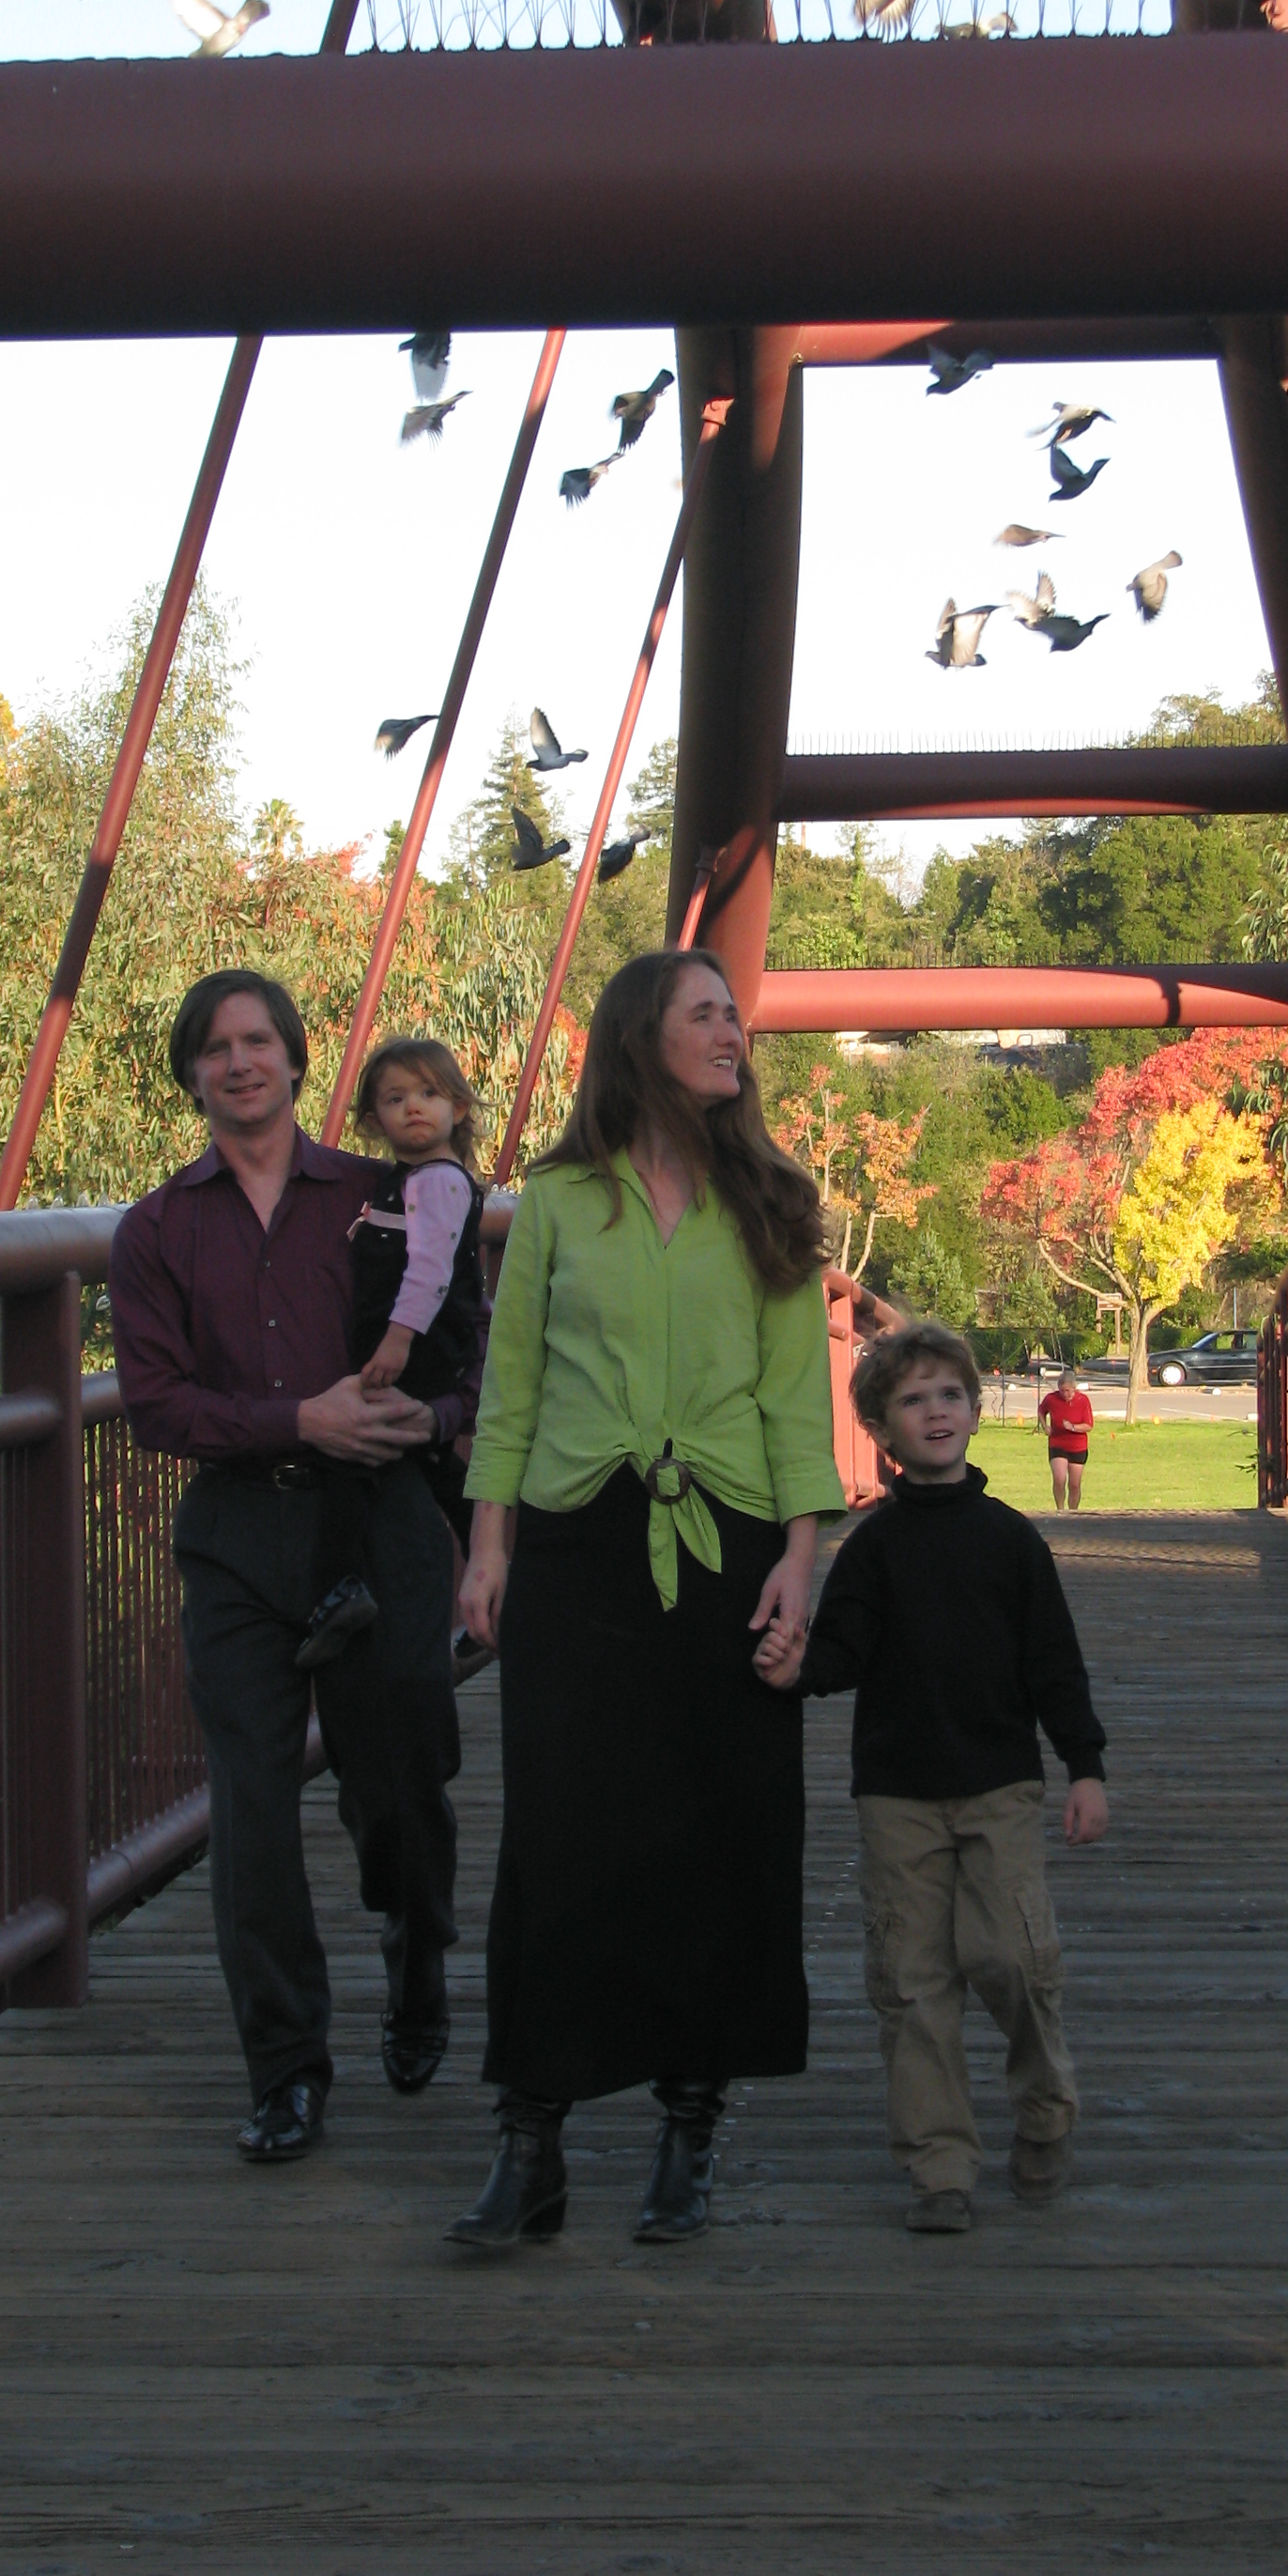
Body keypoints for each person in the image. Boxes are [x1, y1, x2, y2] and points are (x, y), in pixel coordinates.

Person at [447, 948, 844, 2255]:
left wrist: (801, 1559)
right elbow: (511, 1386)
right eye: (705, 1013)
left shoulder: (772, 1201)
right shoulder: (558, 1203)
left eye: (736, 1015)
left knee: (723, 1830)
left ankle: (690, 2124)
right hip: (577, 1544)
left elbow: (795, 1402)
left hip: (732, 1547)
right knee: (559, 1835)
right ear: (640, 1039)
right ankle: (531, 2139)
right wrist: (489, 1545)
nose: (734, 1032)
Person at [108, 970, 483, 2165]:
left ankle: (417, 1960)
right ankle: (286, 2069)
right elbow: (156, 1406)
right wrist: (297, 1420)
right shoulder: (156, 1230)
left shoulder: (391, 1194)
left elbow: (476, 1355)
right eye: (215, 1046)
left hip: (380, 1522)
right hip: (241, 1542)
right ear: (192, 1074)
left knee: (401, 1781)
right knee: (253, 1812)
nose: (239, 1062)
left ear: (296, 1058)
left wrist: (431, 1420)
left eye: (258, 1040)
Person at [759, 1320, 1109, 2234]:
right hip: (898, 1789)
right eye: (912, 1401)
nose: (936, 1411)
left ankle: (1045, 2110)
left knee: (1013, 1958)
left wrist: (1084, 1766)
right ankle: (939, 2167)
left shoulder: (1011, 1541)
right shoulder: (873, 1548)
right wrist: (797, 1668)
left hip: (999, 1782)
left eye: (950, 1394)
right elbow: (843, 1651)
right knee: (911, 1980)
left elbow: (1054, 1664)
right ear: (881, 1430)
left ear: (976, 1411)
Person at [302, 1035, 486, 1668]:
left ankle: (341, 1586)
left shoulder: (439, 1183)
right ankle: (493, 1587)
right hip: (416, 1350)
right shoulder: (410, 1180)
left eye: (429, 1094)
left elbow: (431, 1270)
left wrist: (397, 1341)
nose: (413, 1107)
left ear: (457, 1108)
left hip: (415, 1351)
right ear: (374, 1119)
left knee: (347, 1453)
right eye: (395, 1097)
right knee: (435, 1467)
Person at [1036, 1363, 1094, 1510]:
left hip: (1078, 1446)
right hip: (1057, 1443)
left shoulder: (1083, 1401)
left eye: (1067, 1391)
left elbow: (1089, 1425)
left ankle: (1073, 1512)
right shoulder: (1051, 1399)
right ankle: (1060, 1509)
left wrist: (1073, 1427)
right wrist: (1045, 1426)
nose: (1064, 1394)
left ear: (1074, 1388)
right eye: (1062, 1390)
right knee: (1059, 1478)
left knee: (1074, 1484)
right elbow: (1041, 1411)